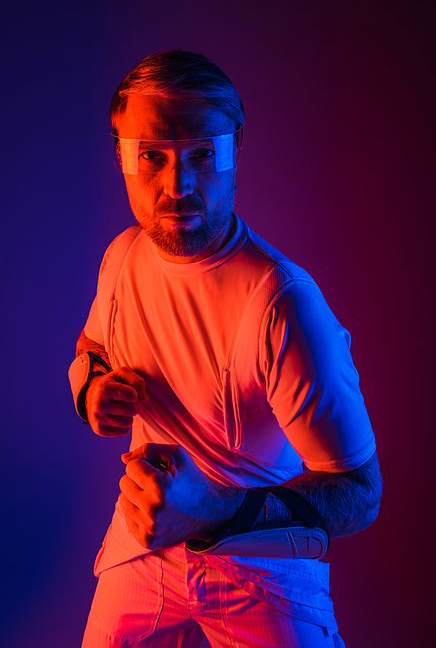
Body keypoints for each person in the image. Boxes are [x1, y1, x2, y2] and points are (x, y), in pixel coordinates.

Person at [69, 50, 382, 648]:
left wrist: (217, 511)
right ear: (121, 157)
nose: (178, 185)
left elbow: (360, 494)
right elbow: (93, 347)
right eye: (151, 157)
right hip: (144, 547)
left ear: (235, 149)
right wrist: (94, 389)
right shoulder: (123, 257)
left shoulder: (282, 303)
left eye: (202, 155)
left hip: (262, 570)